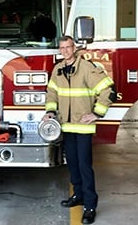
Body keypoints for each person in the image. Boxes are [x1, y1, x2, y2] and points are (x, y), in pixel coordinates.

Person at [42, 35, 115, 224]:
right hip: (66, 126)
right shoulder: (57, 70)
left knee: (84, 166)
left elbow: (108, 89)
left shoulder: (87, 68)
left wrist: (97, 114)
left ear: (74, 48)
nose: (65, 50)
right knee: (72, 164)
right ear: (59, 50)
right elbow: (51, 93)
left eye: (68, 47)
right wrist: (50, 112)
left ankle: (90, 206)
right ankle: (79, 196)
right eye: (62, 47)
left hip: (83, 127)